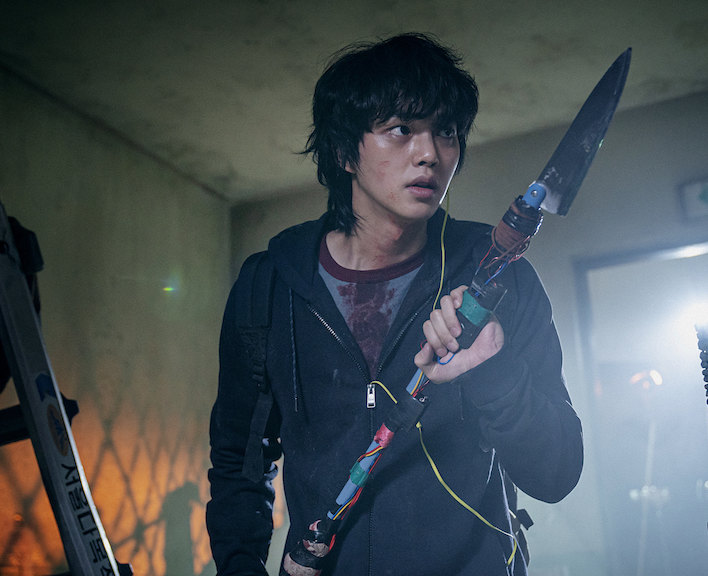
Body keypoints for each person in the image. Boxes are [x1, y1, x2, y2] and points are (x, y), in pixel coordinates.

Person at [207, 33, 584, 576]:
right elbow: (240, 466)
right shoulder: (268, 286)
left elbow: (556, 474)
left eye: (446, 132)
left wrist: (495, 373)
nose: (430, 153)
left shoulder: (503, 279)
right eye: (401, 129)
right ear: (344, 152)